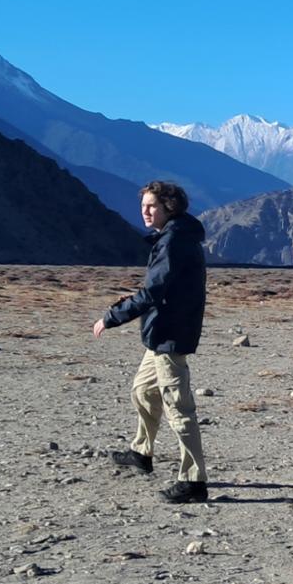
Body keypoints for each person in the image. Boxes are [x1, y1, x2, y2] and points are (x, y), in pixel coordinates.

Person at [97, 180, 211, 504]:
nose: (145, 212)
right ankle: (141, 452)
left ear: (168, 208)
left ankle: (193, 481)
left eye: (152, 206)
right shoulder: (175, 235)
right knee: (143, 391)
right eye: (143, 205)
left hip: (170, 335)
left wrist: (111, 317)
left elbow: (153, 292)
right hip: (161, 332)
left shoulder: (174, 240)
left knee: (178, 408)